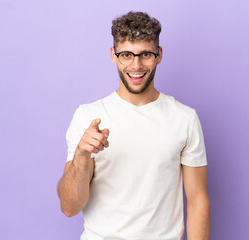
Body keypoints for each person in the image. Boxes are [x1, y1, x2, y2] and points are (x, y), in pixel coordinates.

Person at [57, 11, 210, 240]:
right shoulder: (88, 117)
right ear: (113, 55)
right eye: (126, 55)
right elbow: (69, 207)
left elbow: (198, 200)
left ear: (159, 55)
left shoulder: (184, 118)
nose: (136, 65)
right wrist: (81, 154)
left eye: (145, 54)